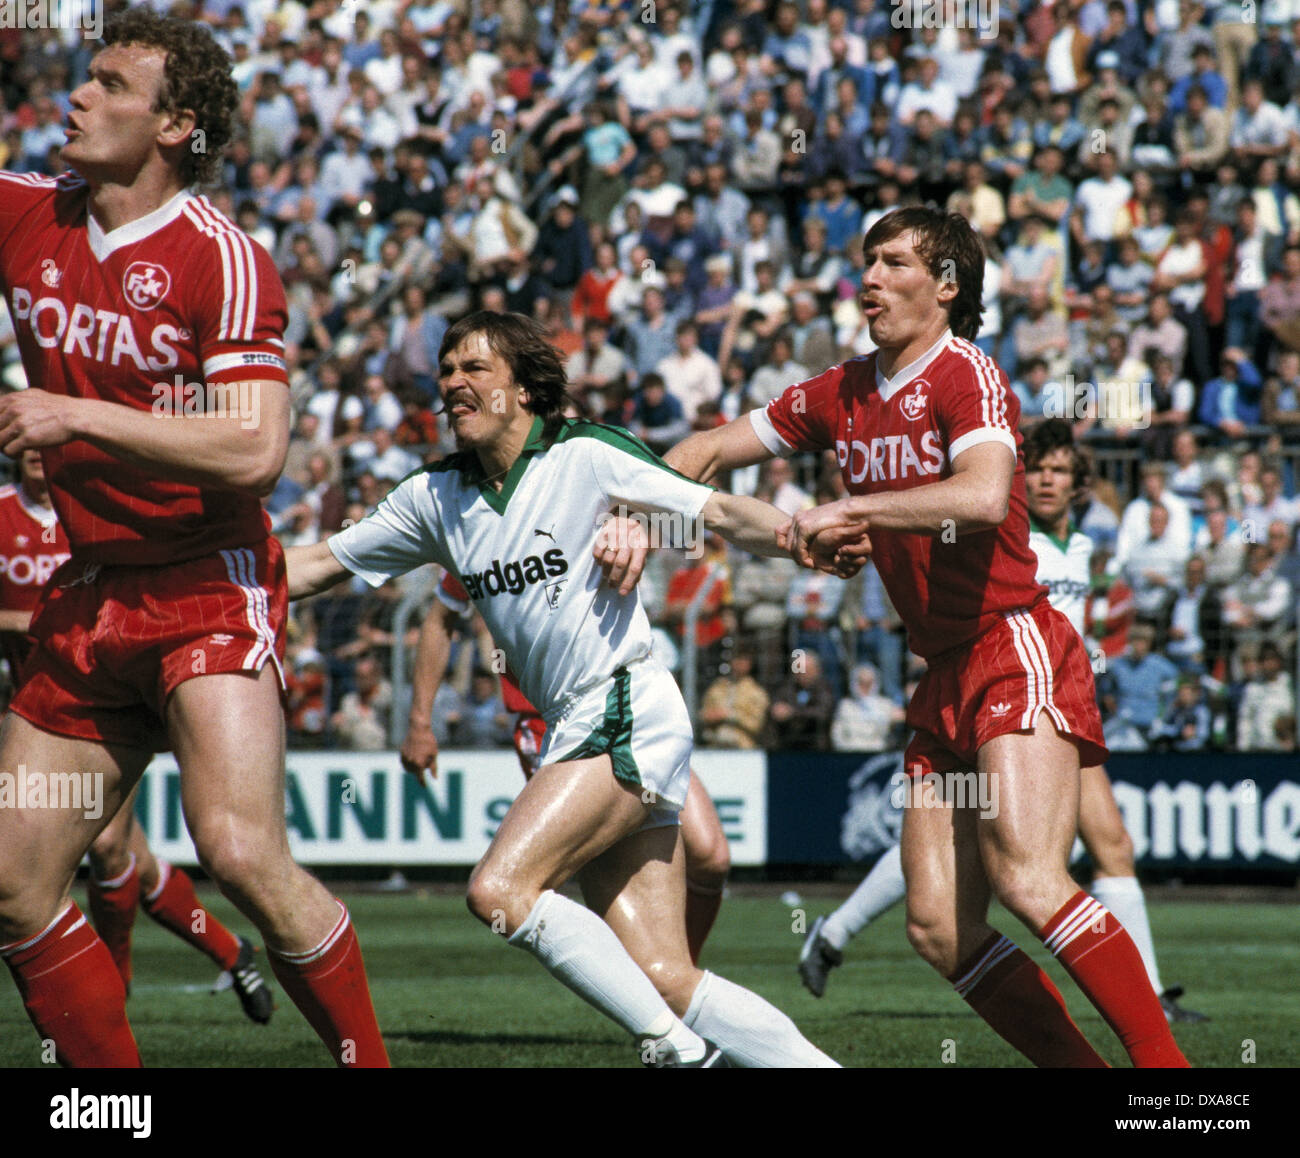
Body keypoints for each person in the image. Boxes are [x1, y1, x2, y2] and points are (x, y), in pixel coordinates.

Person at [646, 207, 1189, 1067]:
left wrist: (850, 507)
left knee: (1028, 878)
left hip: (1013, 640)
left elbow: (979, 496)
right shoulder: (842, 389)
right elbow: (711, 448)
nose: (869, 277)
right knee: (937, 927)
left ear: (946, 286)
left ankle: (1177, 1091)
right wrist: (635, 506)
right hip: (942, 670)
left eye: (894, 261)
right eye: (867, 261)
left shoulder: (963, 371)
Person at [286, 311, 837, 1068]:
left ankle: (677, 1054)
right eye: (446, 371)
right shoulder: (434, 497)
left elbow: (713, 511)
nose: (453, 383)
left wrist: (796, 532)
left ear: (521, 387)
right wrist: (205, 586)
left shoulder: (585, 456)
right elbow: (317, 565)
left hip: (623, 707)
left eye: (474, 368)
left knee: (498, 890)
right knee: (666, 977)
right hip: (583, 723)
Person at [0, 11, 387, 1067]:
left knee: (239, 851)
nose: (77, 96)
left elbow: (256, 451)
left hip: (206, 586)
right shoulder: (28, 212)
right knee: (13, 879)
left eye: (110, 84)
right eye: (83, 76)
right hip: (93, 589)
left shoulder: (222, 256)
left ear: (174, 125)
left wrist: (76, 415)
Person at [796, 421, 1207, 1022]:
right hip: (998, 693)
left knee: (1087, 849)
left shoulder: (1088, 548)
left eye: (1059, 470)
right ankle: (835, 931)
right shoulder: (1009, 534)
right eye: (1035, 468)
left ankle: (1149, 1003)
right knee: (987, 857)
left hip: (1053, 696)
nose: (1044, 479)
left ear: (1078, 484)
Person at [0, 450, 272, 1021]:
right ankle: (232, 952)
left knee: (106, 848)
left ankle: (118, 989)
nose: (32, 456)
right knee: (136, 863)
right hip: (30, 703)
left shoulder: (96, 514)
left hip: (103, 699)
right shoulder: (3, 515)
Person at [404, 567, 731, 964]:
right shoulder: (475, 529)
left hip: (623, 704)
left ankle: (679, 986)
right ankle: (657, 998)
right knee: (606, 885)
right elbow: (442, 617)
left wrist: (632, 529)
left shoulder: (579, 509)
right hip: (550, 723)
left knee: (711, 857)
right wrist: (420, 722)